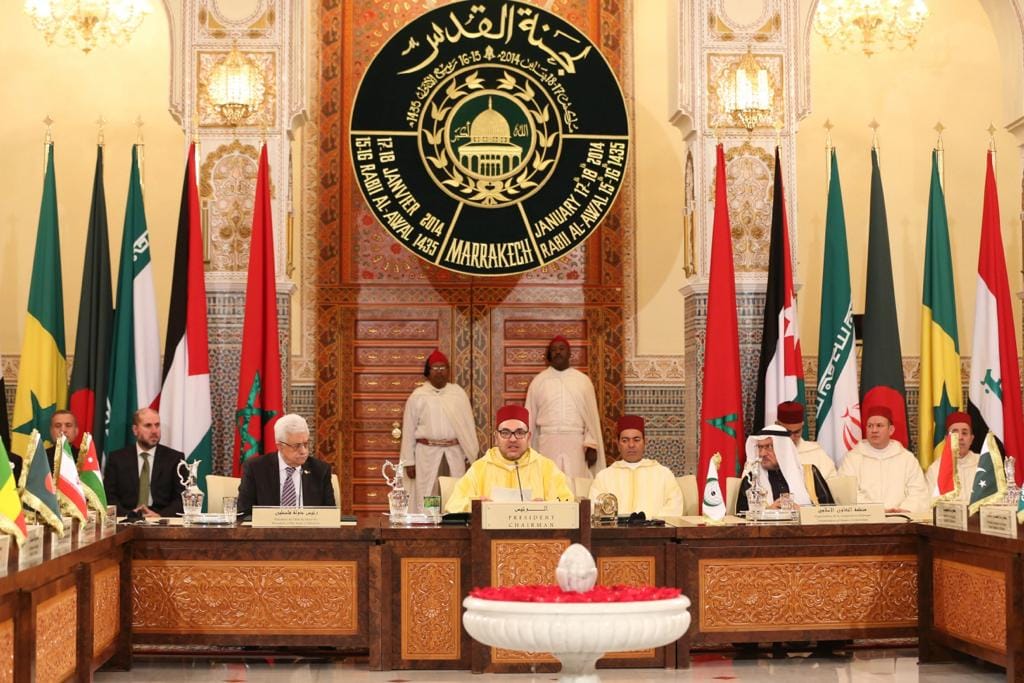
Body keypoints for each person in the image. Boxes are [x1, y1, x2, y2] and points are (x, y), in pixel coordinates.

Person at [444, 405, 573, 513]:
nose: (512, 439)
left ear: (528, 437)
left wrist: (546, 507)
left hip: (534, 536)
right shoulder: (480, 468)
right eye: (505, 433)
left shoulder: (546, 467)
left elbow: (567, 502)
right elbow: (453, 505)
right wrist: (476, 505)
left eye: (519, 433)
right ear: (496, 437)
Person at [399, 348, 479, 512]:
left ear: (448, 371)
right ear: (428, 372)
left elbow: (467, 426)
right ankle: (432, 517)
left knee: (454, 488)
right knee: (431, 489)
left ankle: (452, 517)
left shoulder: (457, 394)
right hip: (427, 453)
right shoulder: (418, 396)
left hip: (454, 452)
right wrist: (409, 461)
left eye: (443, 368)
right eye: (435, 368)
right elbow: (408, 430)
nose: (439, 372)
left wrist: (469, 454)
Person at [524, 335, 606, 483]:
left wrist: (591, 444)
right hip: (548, 442)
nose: (558, 352)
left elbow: (591, 418)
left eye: (562, 349)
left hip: (576, 444)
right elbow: (529, 417)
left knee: (576, 484)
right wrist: (526, 449)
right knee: (548, 483)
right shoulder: (539, 382)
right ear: (549, 355)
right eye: (554, 350)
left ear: (569, 353)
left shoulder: (582, 381)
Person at [237, 413, 336, 516]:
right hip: (267, 526)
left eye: (306, 444)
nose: (303, 451)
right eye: (296, 446)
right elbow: (244, 513)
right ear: (280, 446)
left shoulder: (320, 470)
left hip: (309, 526)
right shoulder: (256, 469)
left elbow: (330, 516)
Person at [839, 405, 929, 513]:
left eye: (879, 425)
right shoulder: (853, 458)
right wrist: (876, 511)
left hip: (901, 519)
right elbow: (847, 493)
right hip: (865, 519)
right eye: (870, 426)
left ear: (891, 430)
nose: (874, 430)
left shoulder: (907, 459)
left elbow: (918, 492)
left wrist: (901, 510)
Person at [588, 415, 683, 517]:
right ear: (618, 445)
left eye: (636, 440)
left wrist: (653, 523)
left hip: (654, 527)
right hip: (616, 527)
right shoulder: (604, 477)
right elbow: (594, 508)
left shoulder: (663, 474)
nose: (631, 445)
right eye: (625, 440)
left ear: (645, 442)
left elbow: (675, 506)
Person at [103, 408, 185, 517]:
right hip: (126, 519)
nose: (154, 431)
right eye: (148, 425)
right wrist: (129, 515)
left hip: (162, 520)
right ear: (135, 430)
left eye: (157, 425)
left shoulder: (175, 459)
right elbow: (109, 496)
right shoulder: (117, 459)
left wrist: (160, 516)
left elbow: (182, 498)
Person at [736, 426, 834, 514]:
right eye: (760, 447)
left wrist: (802, 512)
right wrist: (768, 512)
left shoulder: (810, 473)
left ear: (783, 449)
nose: (762, 453)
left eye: (769, 447)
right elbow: (740, 517)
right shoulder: (751, 480)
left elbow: (831, 511)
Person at [926, 411, 980, 504]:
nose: (960, 437)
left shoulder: (983, 463)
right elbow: (930, 504)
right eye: (955, 433)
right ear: (946, 439)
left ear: (971, 439)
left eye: (964, 433)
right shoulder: (935, 469)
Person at [775, 401, 838, 479]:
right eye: (787, 432)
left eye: (797, 432)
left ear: (802, 427)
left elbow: (832, 481)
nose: (792, 438)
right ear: (776, 425)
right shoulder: (765, 451)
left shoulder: (816, 453)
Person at [44, 409, 79, 474]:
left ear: (76, 431)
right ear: (51, 431)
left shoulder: (85, 459)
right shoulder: (41, 458)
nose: (63, 430)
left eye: (68, 425)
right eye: (58, 426)